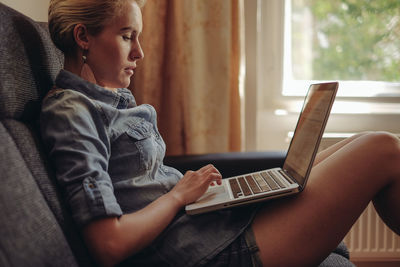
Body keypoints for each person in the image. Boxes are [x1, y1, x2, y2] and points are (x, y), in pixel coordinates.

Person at [41, 0, 400, 266]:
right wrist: (179, 195)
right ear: (83, 37)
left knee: (356, 144)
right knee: (382, 148)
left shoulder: (110, 98)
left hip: (209, 228)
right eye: (126, 37)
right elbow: (109, 244)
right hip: (206, 254)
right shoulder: (72, 113)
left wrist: (196, 194)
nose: (140, 52)